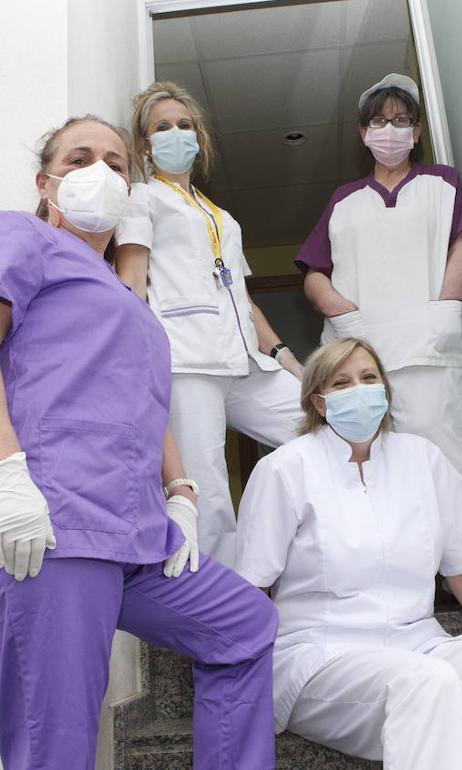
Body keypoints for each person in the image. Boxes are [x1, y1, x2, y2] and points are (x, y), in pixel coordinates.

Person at [0, 114, 277, 770]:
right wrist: (7, 475)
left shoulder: (125, 295)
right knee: (58, 747)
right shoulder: (20, 236)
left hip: (136, 534)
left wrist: (180, 491)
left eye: (116, 162)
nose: (99, 171)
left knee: (243, 625)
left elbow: (142, 400)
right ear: (45, 182)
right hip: (51, 528)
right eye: (79, 158)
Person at [234, 338, 462, 770]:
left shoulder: (422, 458)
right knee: (430, 681)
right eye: (341, 383)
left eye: (369, 378)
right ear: (318, 402)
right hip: (319, 656)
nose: (359, 390)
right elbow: (253, 588)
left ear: (385, 391)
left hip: (419, 644)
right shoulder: (284, 468)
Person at [114, 81, 304, 568]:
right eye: (162, 127)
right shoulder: (142, 199)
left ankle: (295, 552)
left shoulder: (221, 216)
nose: (176, 133)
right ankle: (220, 597)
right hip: (188, 361)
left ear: (198, 139)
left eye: (184, 125)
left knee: (318, 425)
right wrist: (136, 361)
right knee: (208, 491)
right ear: (145, 145)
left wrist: (286, 358)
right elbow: (131, 283)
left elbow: (242, 297)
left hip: (244, 362)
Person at [296, 72, 462, 498]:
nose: (390, 130)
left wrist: (447, 307)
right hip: (359, 351)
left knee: (442, 455)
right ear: (363, 133)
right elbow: (314, 273)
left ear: (417, 132)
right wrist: (341, 312)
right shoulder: (344, 200)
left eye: (401, 121)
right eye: (379, 122)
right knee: (367, 465)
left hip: (426, 346)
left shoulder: (443, 183)